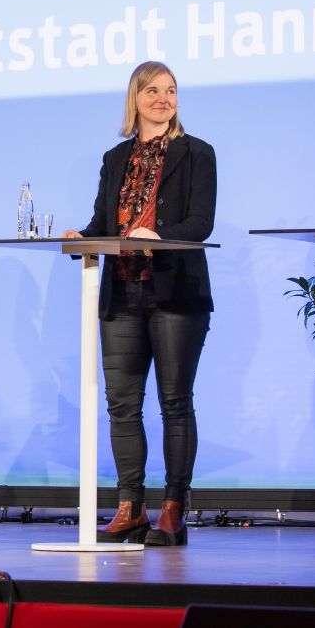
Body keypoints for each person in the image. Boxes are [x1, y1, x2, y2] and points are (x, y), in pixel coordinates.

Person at [61, 61, 216, 547]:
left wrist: (159, 235)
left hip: (175, 294)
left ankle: (173, 508)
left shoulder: (197, 153)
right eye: (152, 90)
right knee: (122, 405)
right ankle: (130, 506)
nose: (163, 99)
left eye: (170, 91)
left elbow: (200, 223)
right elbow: (103, 222)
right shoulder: (115, 157)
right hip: (123, 292)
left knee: (174, 403)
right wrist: (81, 238)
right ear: (135, 98)